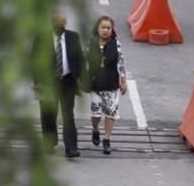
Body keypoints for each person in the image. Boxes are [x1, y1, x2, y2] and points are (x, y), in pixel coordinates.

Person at [33, 13, 85, 158]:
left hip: (67, 81)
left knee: (68, 115)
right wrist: (37, 82)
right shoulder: (41, 38)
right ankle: (49, 142)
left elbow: (79, 59)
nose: (60, 27)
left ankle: (71, 147)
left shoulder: (73, 37)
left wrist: (81, 77)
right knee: (48, 114)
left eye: (62, 24)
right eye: (57, 25)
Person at [87, 16, 127, 155]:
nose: (105, 30)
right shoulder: (91, 42)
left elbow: (121, 63)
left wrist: (123, 81)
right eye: (103, 27)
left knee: (110, 113)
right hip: (95, 84)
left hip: (111, 85)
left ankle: (107, 139)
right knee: (96, 113)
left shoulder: (116, 44)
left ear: (112, 30)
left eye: (108, 28)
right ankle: (95, 129)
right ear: (98, 29)